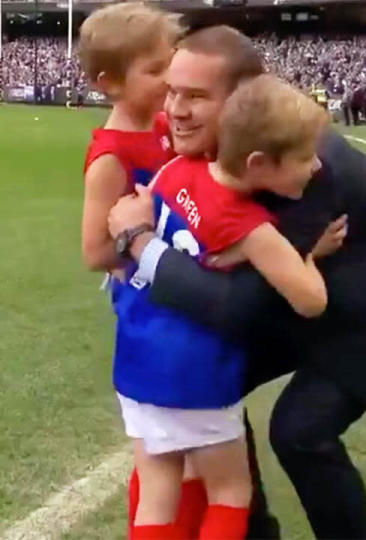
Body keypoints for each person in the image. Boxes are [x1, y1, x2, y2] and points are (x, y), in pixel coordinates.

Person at [107, 25, 366, 539]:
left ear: (245, 99)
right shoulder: (240, 145)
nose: (176, 110)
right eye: (173, 92)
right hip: (319, 288)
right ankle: (245, 527)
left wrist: (139, 244)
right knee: (210, 375)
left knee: (299, 431)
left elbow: (234, 306)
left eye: (196, 96)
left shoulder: (296, 159)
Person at [75, 5, 186, 534]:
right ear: (110, 83)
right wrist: (145, 246)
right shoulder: (111, 156)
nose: (171, 80)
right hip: (152, 311)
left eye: (172, 63)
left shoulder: (167, 126)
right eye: (156, 70)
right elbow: (95, 253)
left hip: (185, 297)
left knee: (185, 459)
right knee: (161, 458)